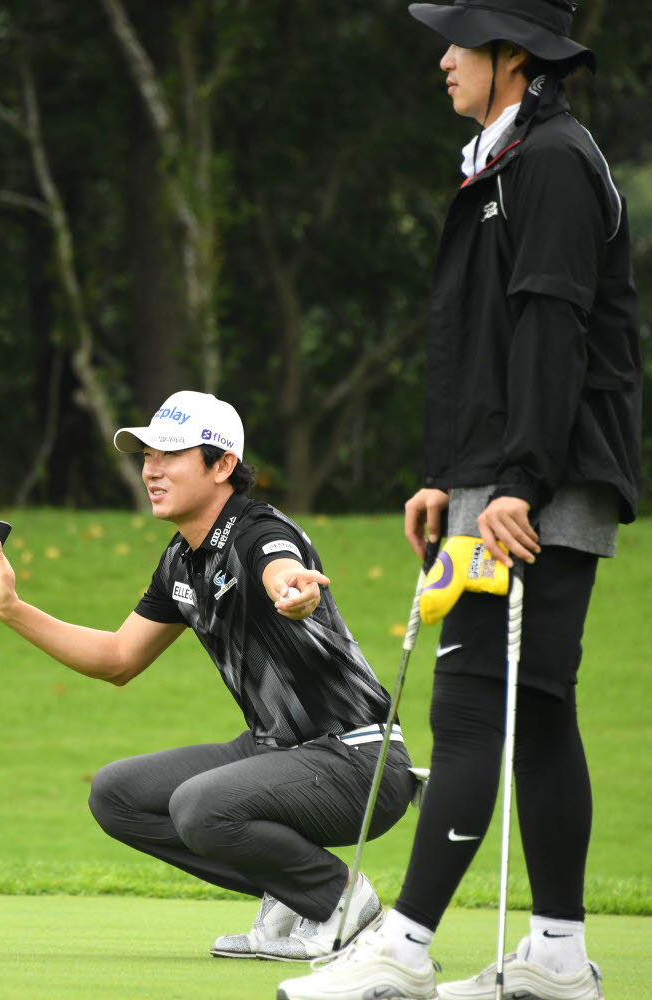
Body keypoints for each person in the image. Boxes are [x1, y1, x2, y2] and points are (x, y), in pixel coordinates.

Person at [277, 2, 642, 999]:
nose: (440, 61)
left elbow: (552, 329)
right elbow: (480, 343)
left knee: (474, 703)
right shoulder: (500, 163)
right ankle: (558, 957)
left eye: (457, 43)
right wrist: (446, 470)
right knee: (535, 707)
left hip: (540, 476)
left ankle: (400, 946)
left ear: (509, 58)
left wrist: (512, 484)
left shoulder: (553, 160)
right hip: (505, 471)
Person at [0, 389, 417, 962]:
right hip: (276, 752)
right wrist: (10, 608)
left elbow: (282, 565)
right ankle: (293, 895)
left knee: (201, 806)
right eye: (147, 455)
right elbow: (118, 659)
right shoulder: (181, 558)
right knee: (117, 795)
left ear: (223, 465)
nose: (151, 469)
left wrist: (292, 589)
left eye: (170, 454)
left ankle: (338, 903)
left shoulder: (258, 532)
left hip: (358, 761)